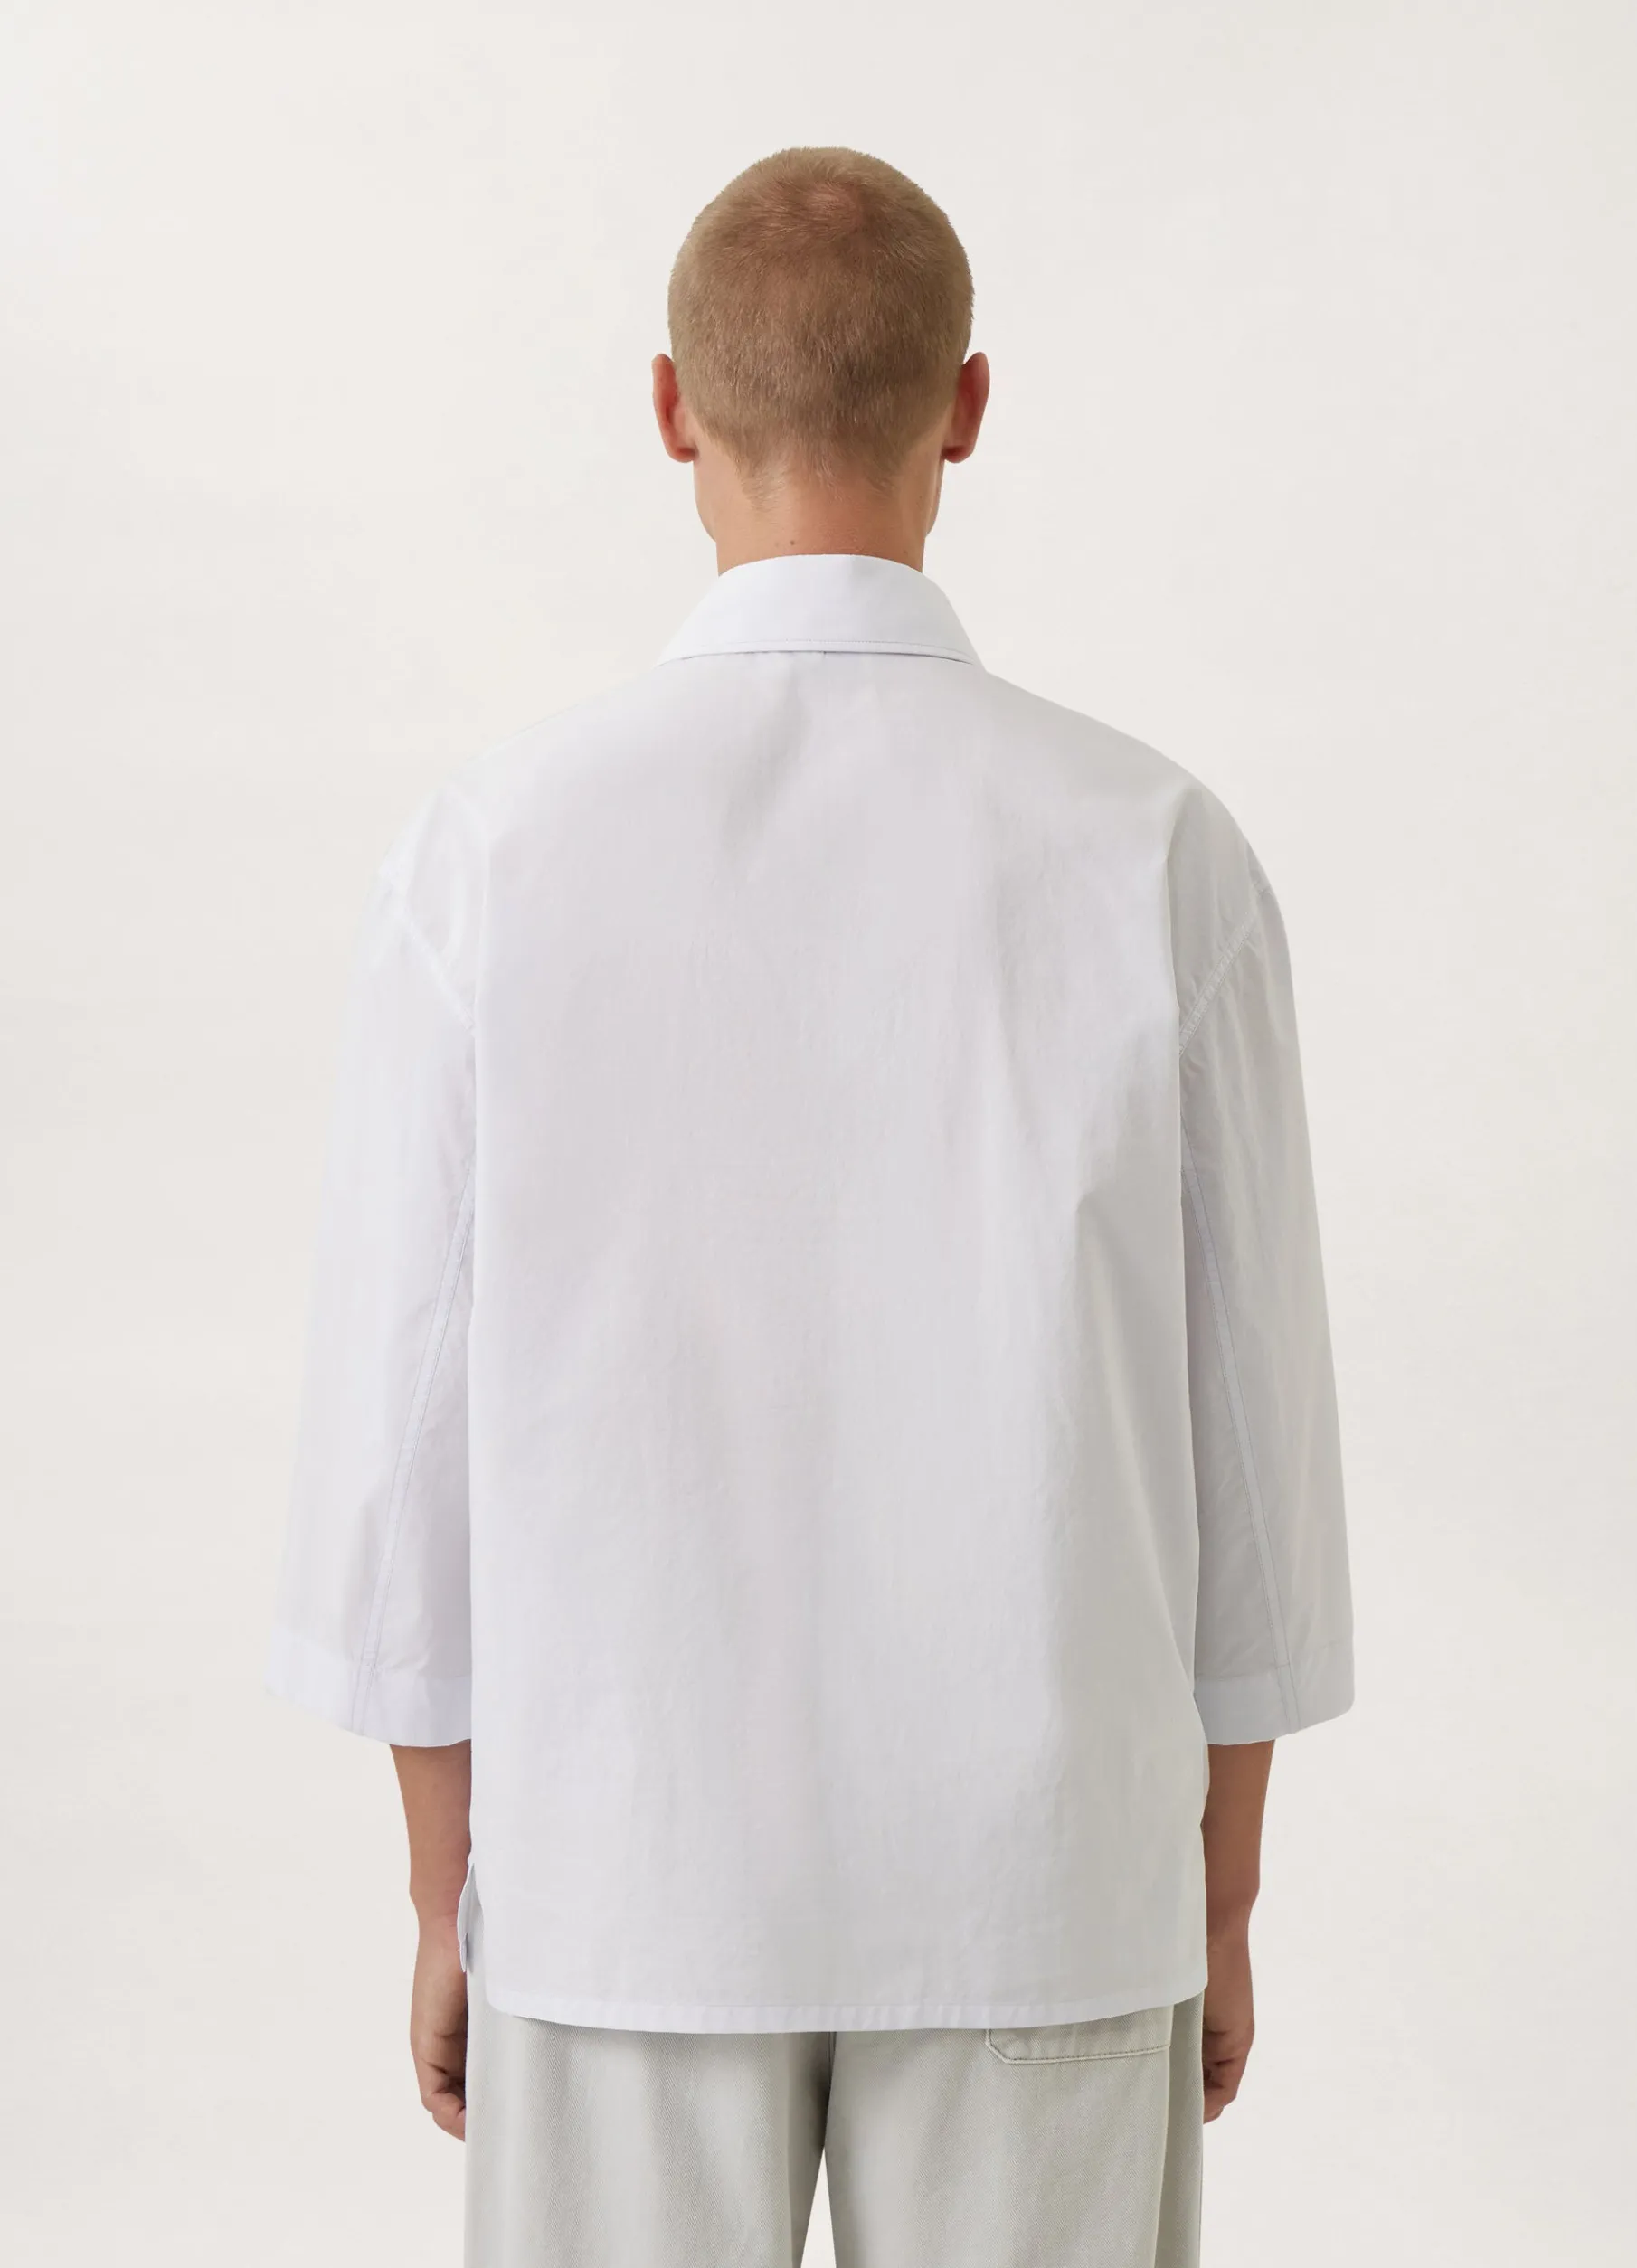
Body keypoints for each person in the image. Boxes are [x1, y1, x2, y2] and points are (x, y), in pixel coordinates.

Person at [267, 146, 1354, 2268]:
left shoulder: (491, 856)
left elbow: (398, 1446)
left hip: (623, 1867)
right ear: (966, 403)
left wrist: (439, 1887)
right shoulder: (1153, 853)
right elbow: (1257, 1446)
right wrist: (1218, 1891)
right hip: (1045, 1878)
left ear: (671, 404)